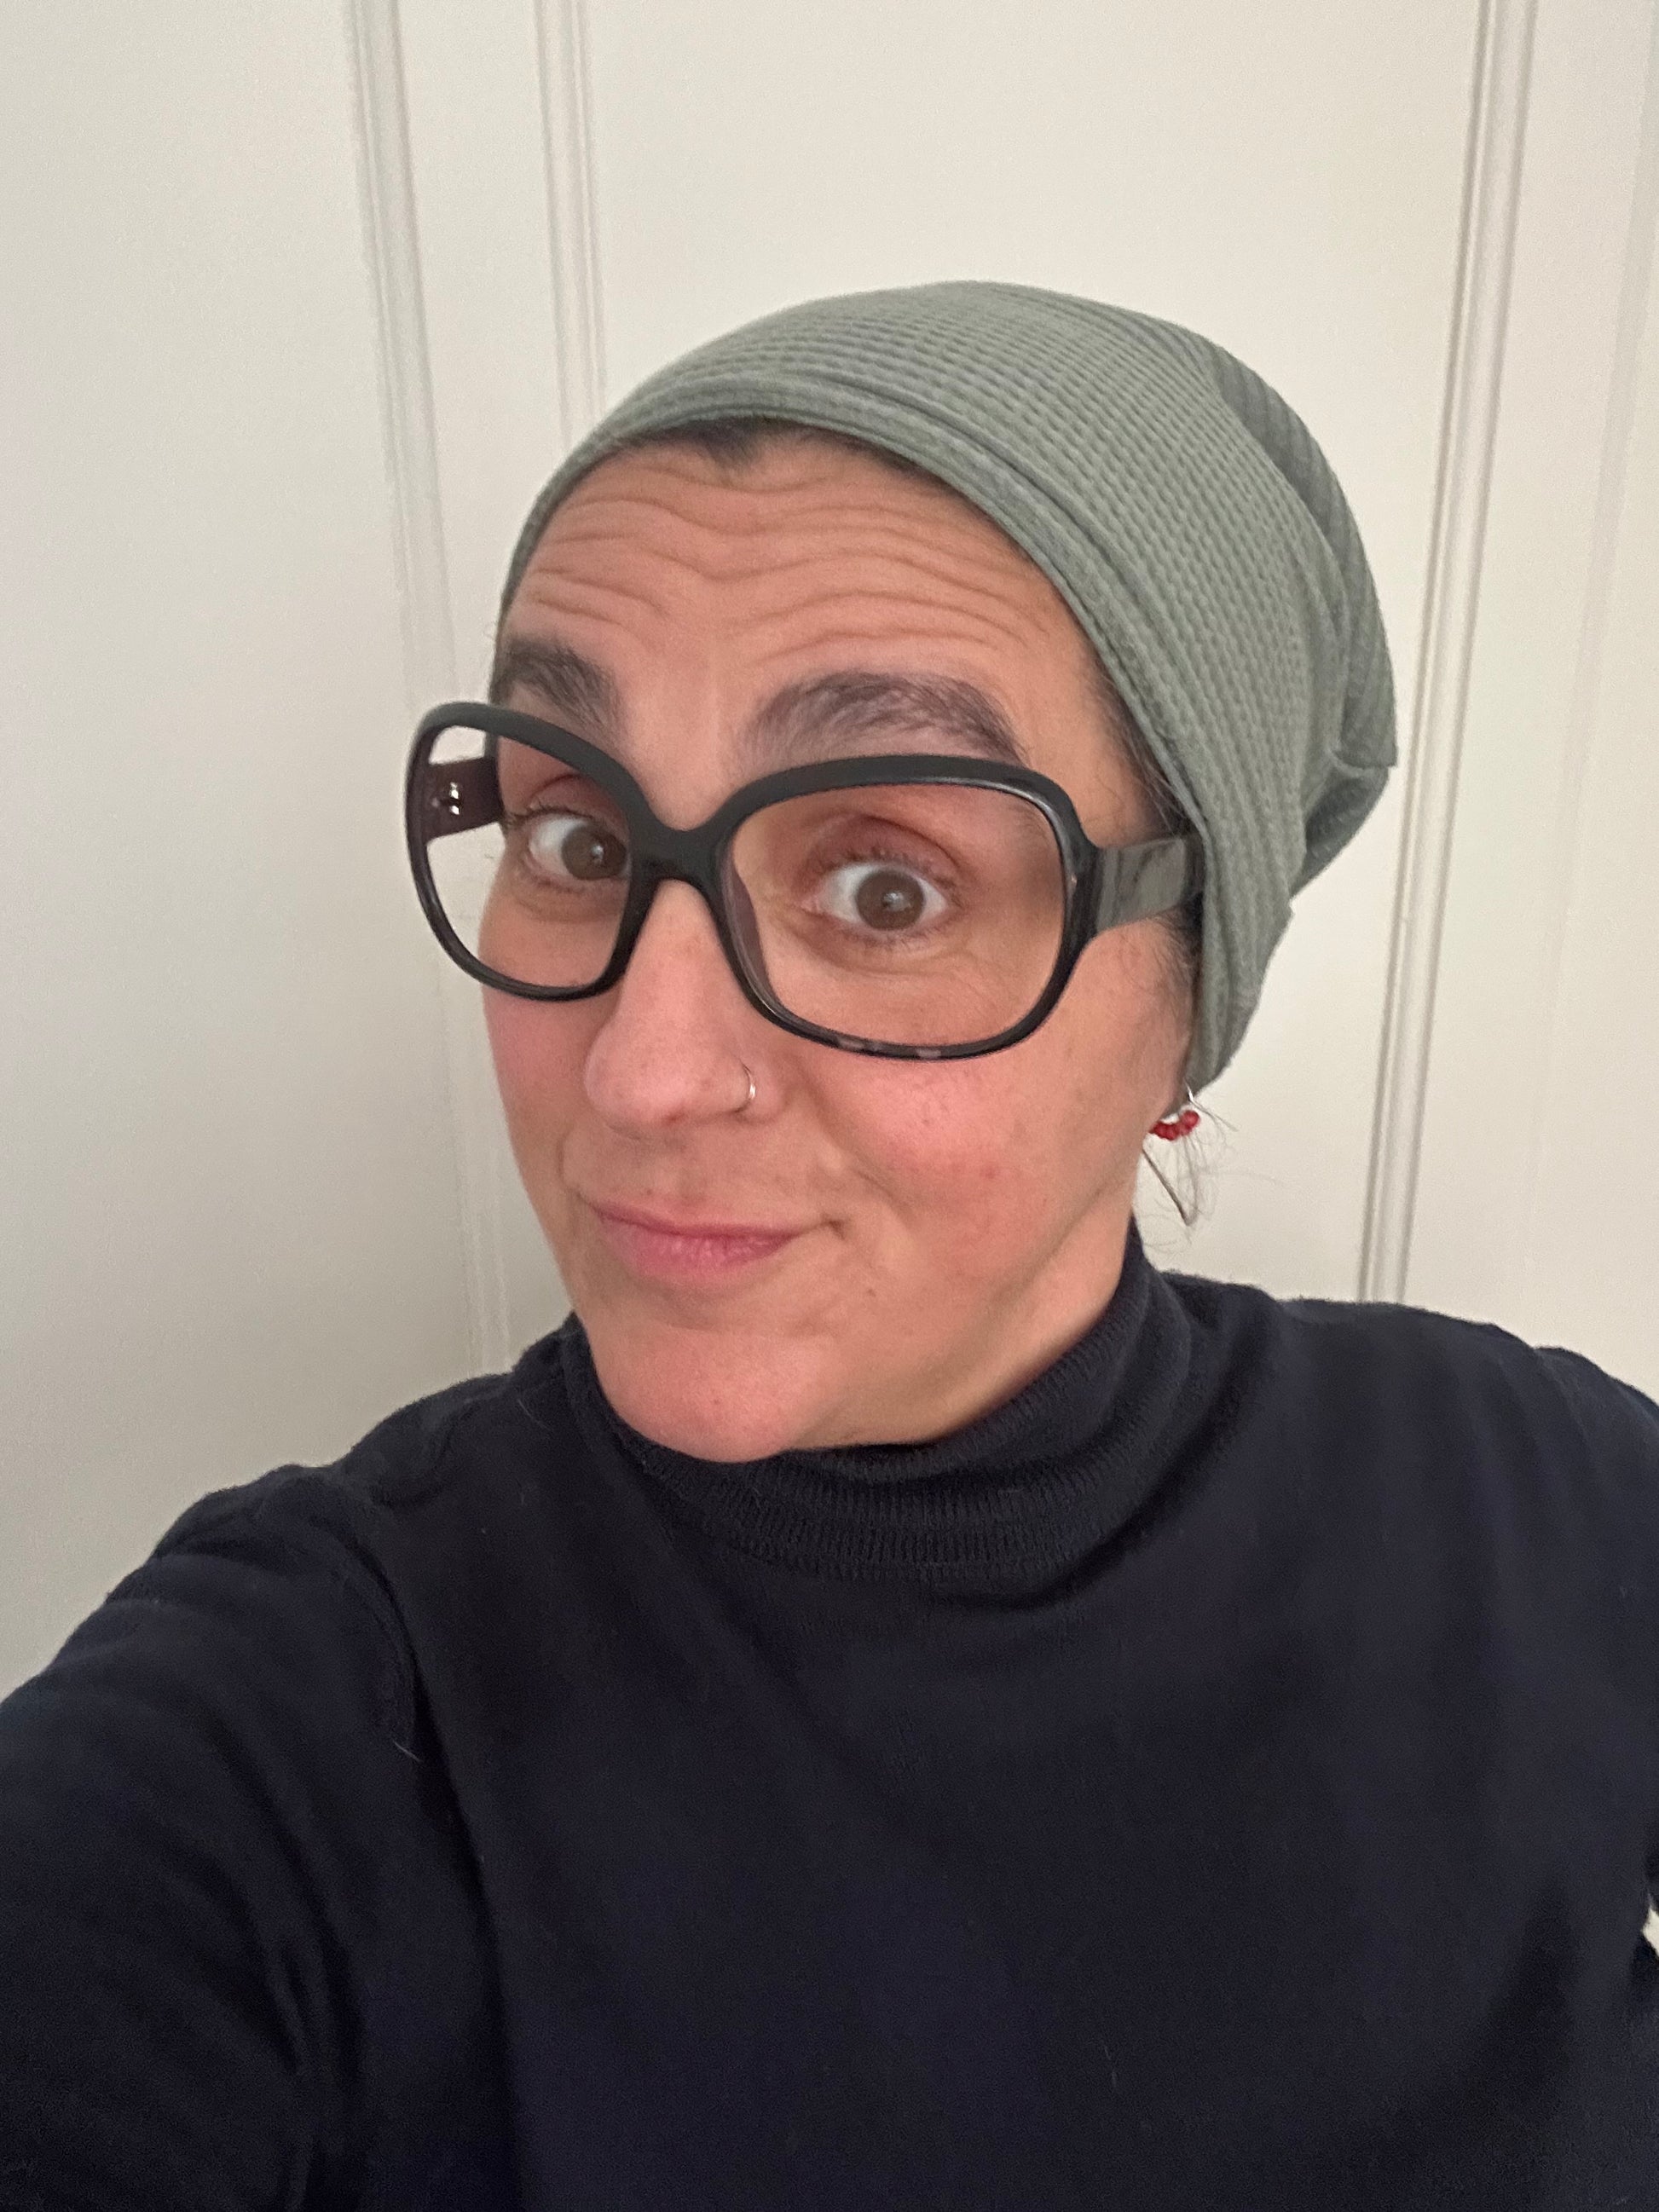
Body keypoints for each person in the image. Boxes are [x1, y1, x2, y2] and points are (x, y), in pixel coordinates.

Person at [3, 280, 1656, 2210]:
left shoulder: (1541, 1501)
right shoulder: (288, 1723)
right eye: (577, 839)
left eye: (885, 885)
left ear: (1187, 1003)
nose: (638, 1071)